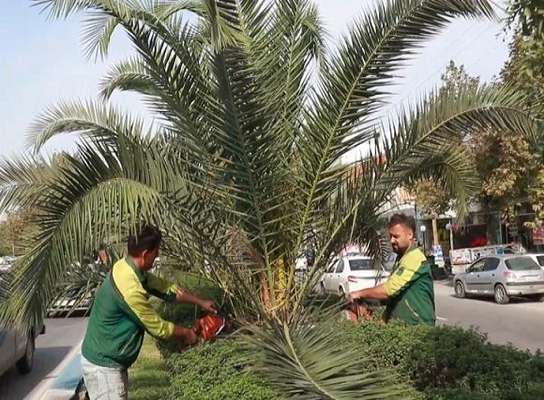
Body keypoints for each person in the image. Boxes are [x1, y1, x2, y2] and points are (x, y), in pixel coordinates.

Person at [81, 225, 216, 399]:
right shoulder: (130, 289)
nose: (158, 255)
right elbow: (157, 327)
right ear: (145, 254)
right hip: (104, 367)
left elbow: (166, 289)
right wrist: (187, 333)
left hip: (108, 361)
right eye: (156, 251)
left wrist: (201, 302)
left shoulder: (127, 267)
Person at [349, 214, 435, 326]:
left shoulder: (415, 258)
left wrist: (359, 294)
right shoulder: (402, 259)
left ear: (410, 235)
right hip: (402, 328)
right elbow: (393, 297)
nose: (392, 240)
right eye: (390, 236)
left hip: (417, 327)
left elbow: (389, 291)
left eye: (396, 236)